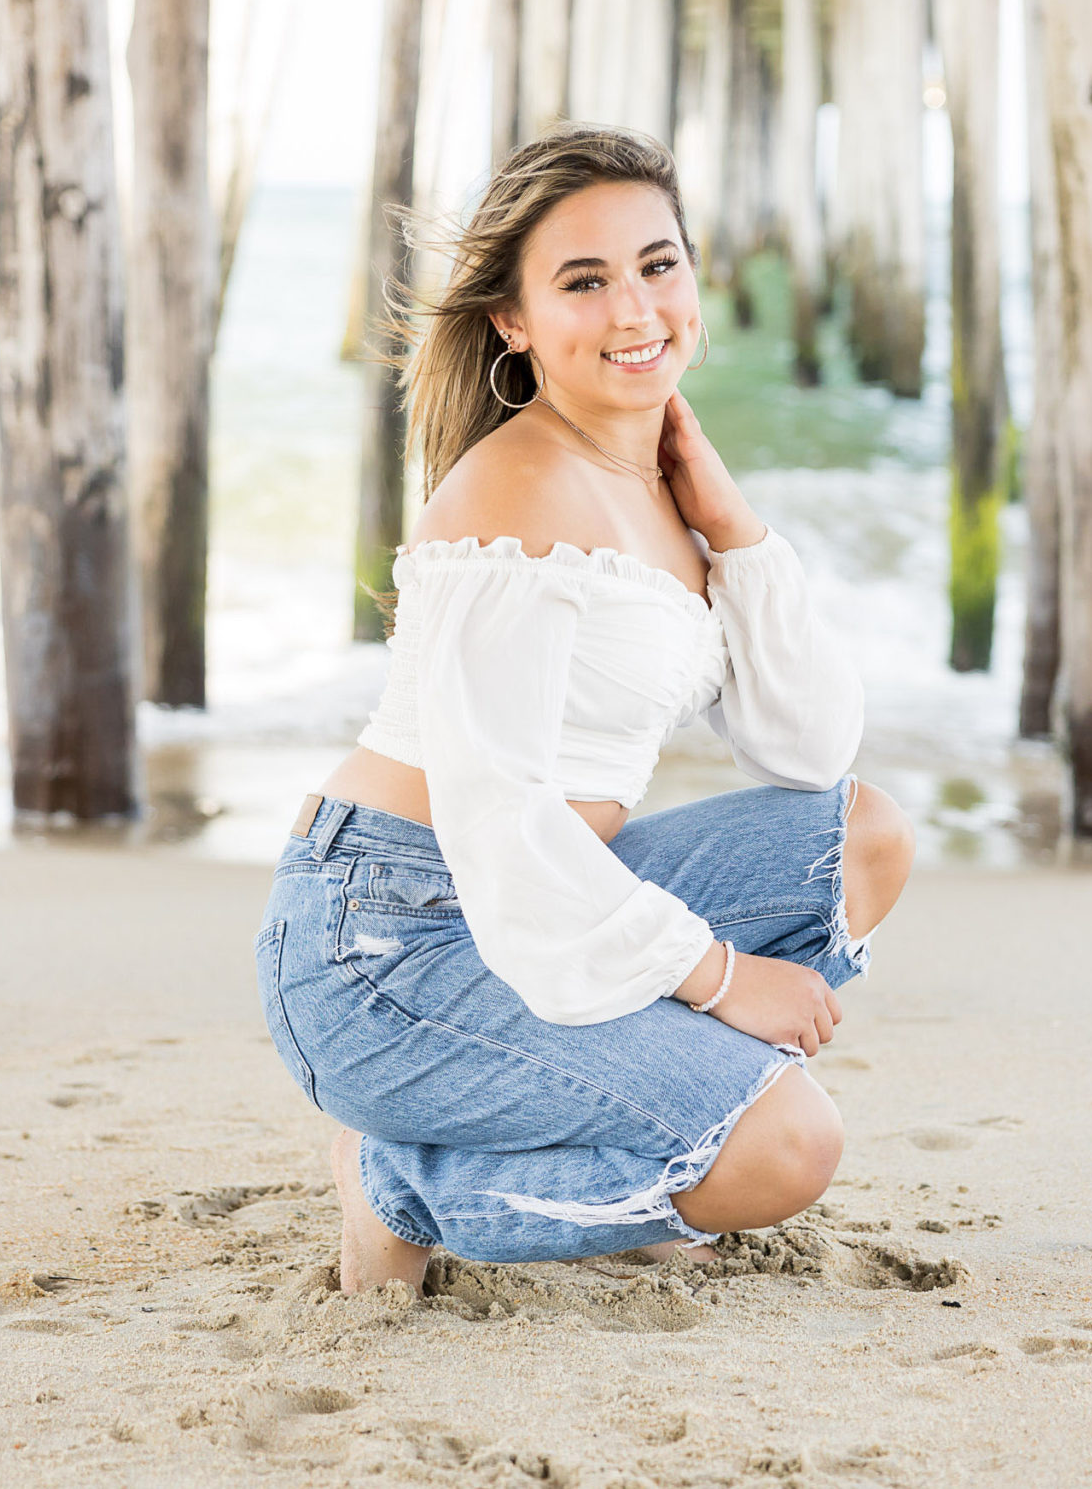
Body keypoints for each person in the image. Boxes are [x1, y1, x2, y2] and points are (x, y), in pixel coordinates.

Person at [254, 124, 917, 1293]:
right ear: (513, 320)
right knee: (784, 1146)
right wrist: (717, 977)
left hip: (542, 908)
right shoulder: (518, 492)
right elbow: (501, 821)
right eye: (583, 281)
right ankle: (396, 1183)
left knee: (862, 837)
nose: (636, 310)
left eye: (658, 265)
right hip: (389, 945)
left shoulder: (656, 478)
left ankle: (624, 1123)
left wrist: (733, 527)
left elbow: (804, 745)